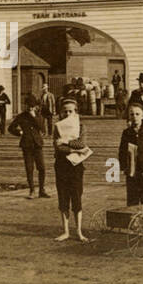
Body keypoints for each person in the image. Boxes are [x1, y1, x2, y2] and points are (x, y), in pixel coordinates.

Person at [52, 96, 89, 242]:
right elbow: (58, 147)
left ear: (76, 112)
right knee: (63, 197)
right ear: (61, 113)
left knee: (76, 197)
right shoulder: (57, 127)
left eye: (71, 111)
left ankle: (79, 231)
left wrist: (67, 142)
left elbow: (82, 144)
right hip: (61, 166)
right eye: (65, 112)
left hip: (76, 166)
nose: (68, 115)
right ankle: (66, 231)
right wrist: (74, 148)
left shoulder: (82, 126)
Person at [8, 95, 48, 199]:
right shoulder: (21, 116)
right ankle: (32, 190)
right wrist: (19, 132)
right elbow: (10, 128)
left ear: (35, 106)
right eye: (28, 106)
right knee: (29, 169)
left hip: (37, 144)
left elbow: (42, 128)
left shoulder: (39, 116)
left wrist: (34, 116)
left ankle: (41, 190)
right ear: (25, 106)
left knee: (42, 168)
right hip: (27, 145)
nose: (30, 108)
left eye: (32, 106)